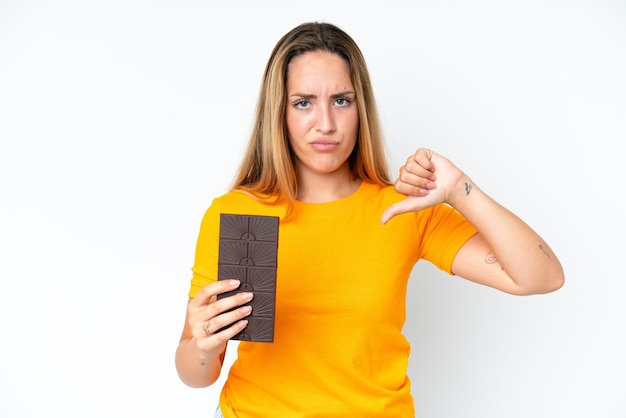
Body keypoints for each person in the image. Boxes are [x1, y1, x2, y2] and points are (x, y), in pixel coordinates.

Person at [175, 21, 564, 418]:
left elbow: (542, 276)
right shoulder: (237, 213)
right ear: (279, 111)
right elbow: (196, 373)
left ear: (361, 107)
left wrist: (460, 189)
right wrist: (204, 347)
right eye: (303, 102)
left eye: (341, 100)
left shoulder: (403, 210)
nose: (325, 123)